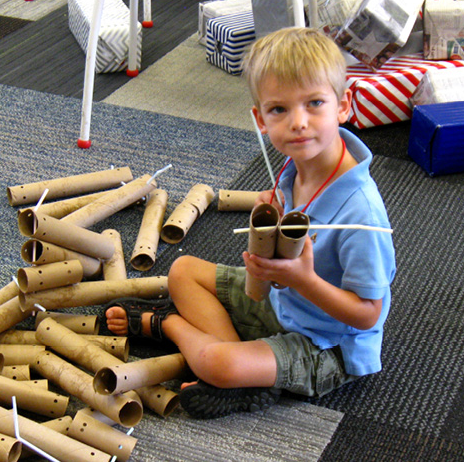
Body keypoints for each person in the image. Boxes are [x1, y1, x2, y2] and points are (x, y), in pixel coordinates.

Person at [105, 27, 396, 419]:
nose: (298, 122)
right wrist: (273, 214)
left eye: (314, 103)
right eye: (279, 109)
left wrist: (302, 280)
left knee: (217, 364)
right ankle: (242, 372)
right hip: (283, 301)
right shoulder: (297, 168)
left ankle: (166, 324)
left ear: (343, 106)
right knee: (183, 270)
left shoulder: (361, 211)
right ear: (260, 118)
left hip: (327, 345)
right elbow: (263, 286)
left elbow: (367, 315)